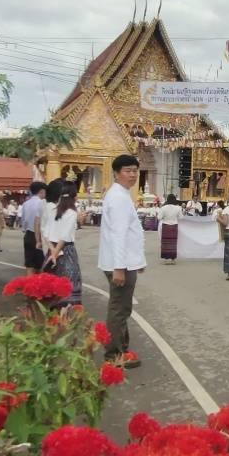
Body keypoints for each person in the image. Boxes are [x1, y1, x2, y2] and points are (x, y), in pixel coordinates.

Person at [99, 155, 145, 369]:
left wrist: (137, 261)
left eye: (135, 170)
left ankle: (121, 349)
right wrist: (119, 267)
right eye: (128, 171)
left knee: (122, 307)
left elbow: (131, 233)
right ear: (116, 174)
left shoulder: (121, 195)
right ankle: (114, 354)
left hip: (125, 261)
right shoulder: (118, 198)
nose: (133, 175)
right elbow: (119, 235)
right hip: (120, 264)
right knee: (119, 309)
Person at [43, 181, 84, 306]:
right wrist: (55, 254)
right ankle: (66, 314)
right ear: (74, 196)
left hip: (52, 249)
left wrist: (52, 251)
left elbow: (46, 233)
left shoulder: (53, 210)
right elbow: (64, 236)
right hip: (66, 251)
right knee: (69, 283)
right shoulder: (72, 213)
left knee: (53, 283)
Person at [19, 181, 46, 276]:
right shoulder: (43, 204)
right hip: (39, 236)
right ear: (41, 191)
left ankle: (29, 284)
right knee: (41, 266)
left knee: (29, 265)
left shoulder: (26, 203)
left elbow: (23, 221)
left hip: (28, 235)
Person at [158, 194, 183, 264]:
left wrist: (165, 217)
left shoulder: (163, 208)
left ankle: (166, 259)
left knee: (165, 243)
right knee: (173, 243)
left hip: (166, 226)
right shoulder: (178, 208)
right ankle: (173, 259)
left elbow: (159, 217)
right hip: (174, 226)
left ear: (167, 199)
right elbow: (181, 217)